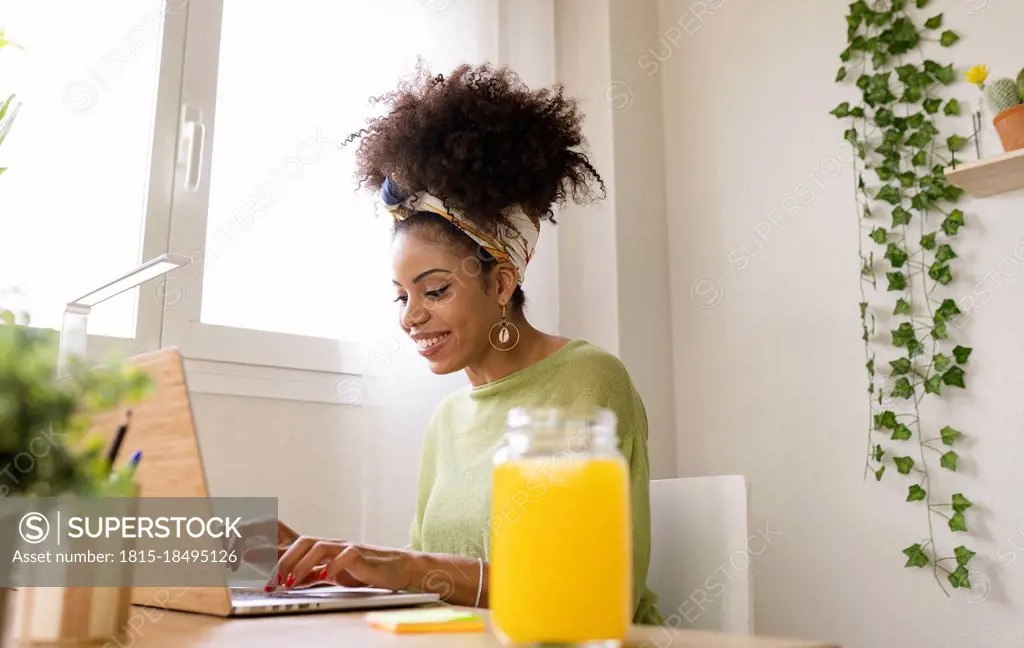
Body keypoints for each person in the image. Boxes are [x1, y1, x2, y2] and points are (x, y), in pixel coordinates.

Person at [254, 62, 663, 625]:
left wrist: (408, 568)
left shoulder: (589, 379)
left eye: (436, 290)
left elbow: (592, 590)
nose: (411, 318)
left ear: (500, 283)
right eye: (401, 297)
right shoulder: (447, 420)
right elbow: (427, 594)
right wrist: (332, 567)